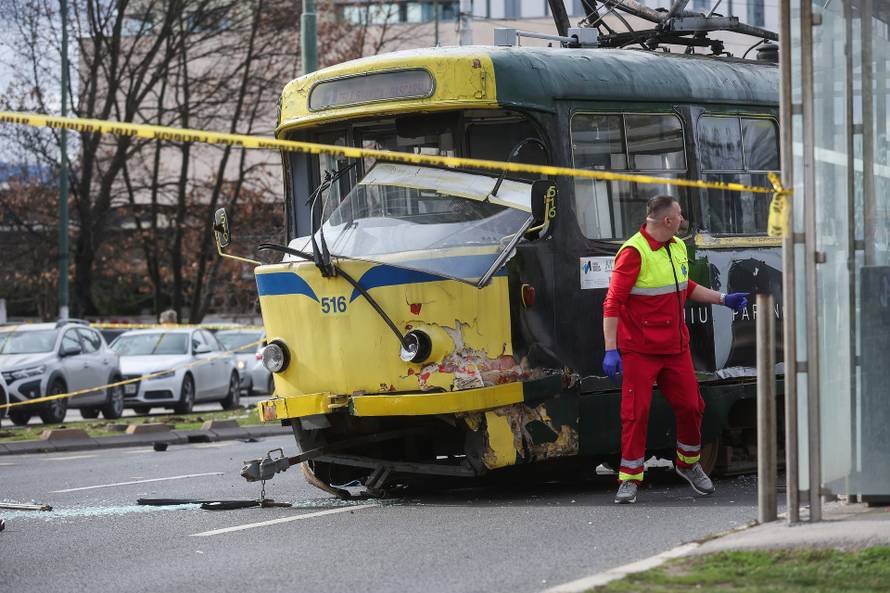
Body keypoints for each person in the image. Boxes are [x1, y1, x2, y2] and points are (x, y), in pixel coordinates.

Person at [602, 195, 748, 504]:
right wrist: (610, 349)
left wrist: (724, 299)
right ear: (667, 221)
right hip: (640, 350)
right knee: (635, 413)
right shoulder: (633, 253)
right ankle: (629, 478)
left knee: (692, 407)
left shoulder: (678, 247)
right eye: (679, 215)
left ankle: (688, 464)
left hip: (675, 347)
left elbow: (686, 287)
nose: (683, 220)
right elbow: (612, 302)